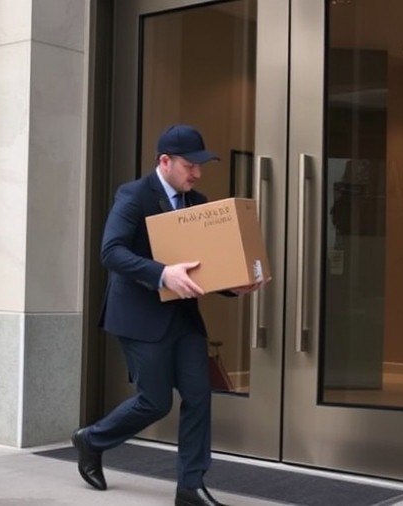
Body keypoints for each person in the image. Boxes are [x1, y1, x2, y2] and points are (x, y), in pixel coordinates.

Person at [72, 124, 263, 506]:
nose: (197, 173)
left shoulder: (198, 202)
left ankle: (190, 487)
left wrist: (235, 284)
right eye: (190, 165)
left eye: (200, 166)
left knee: (198, 396)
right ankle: (91, 439)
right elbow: (111, 252)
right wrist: (162, 272)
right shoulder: (134, 195)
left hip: (184, 319)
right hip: (140, 317)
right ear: (165, 161)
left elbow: (206, 266)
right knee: (155, 402)